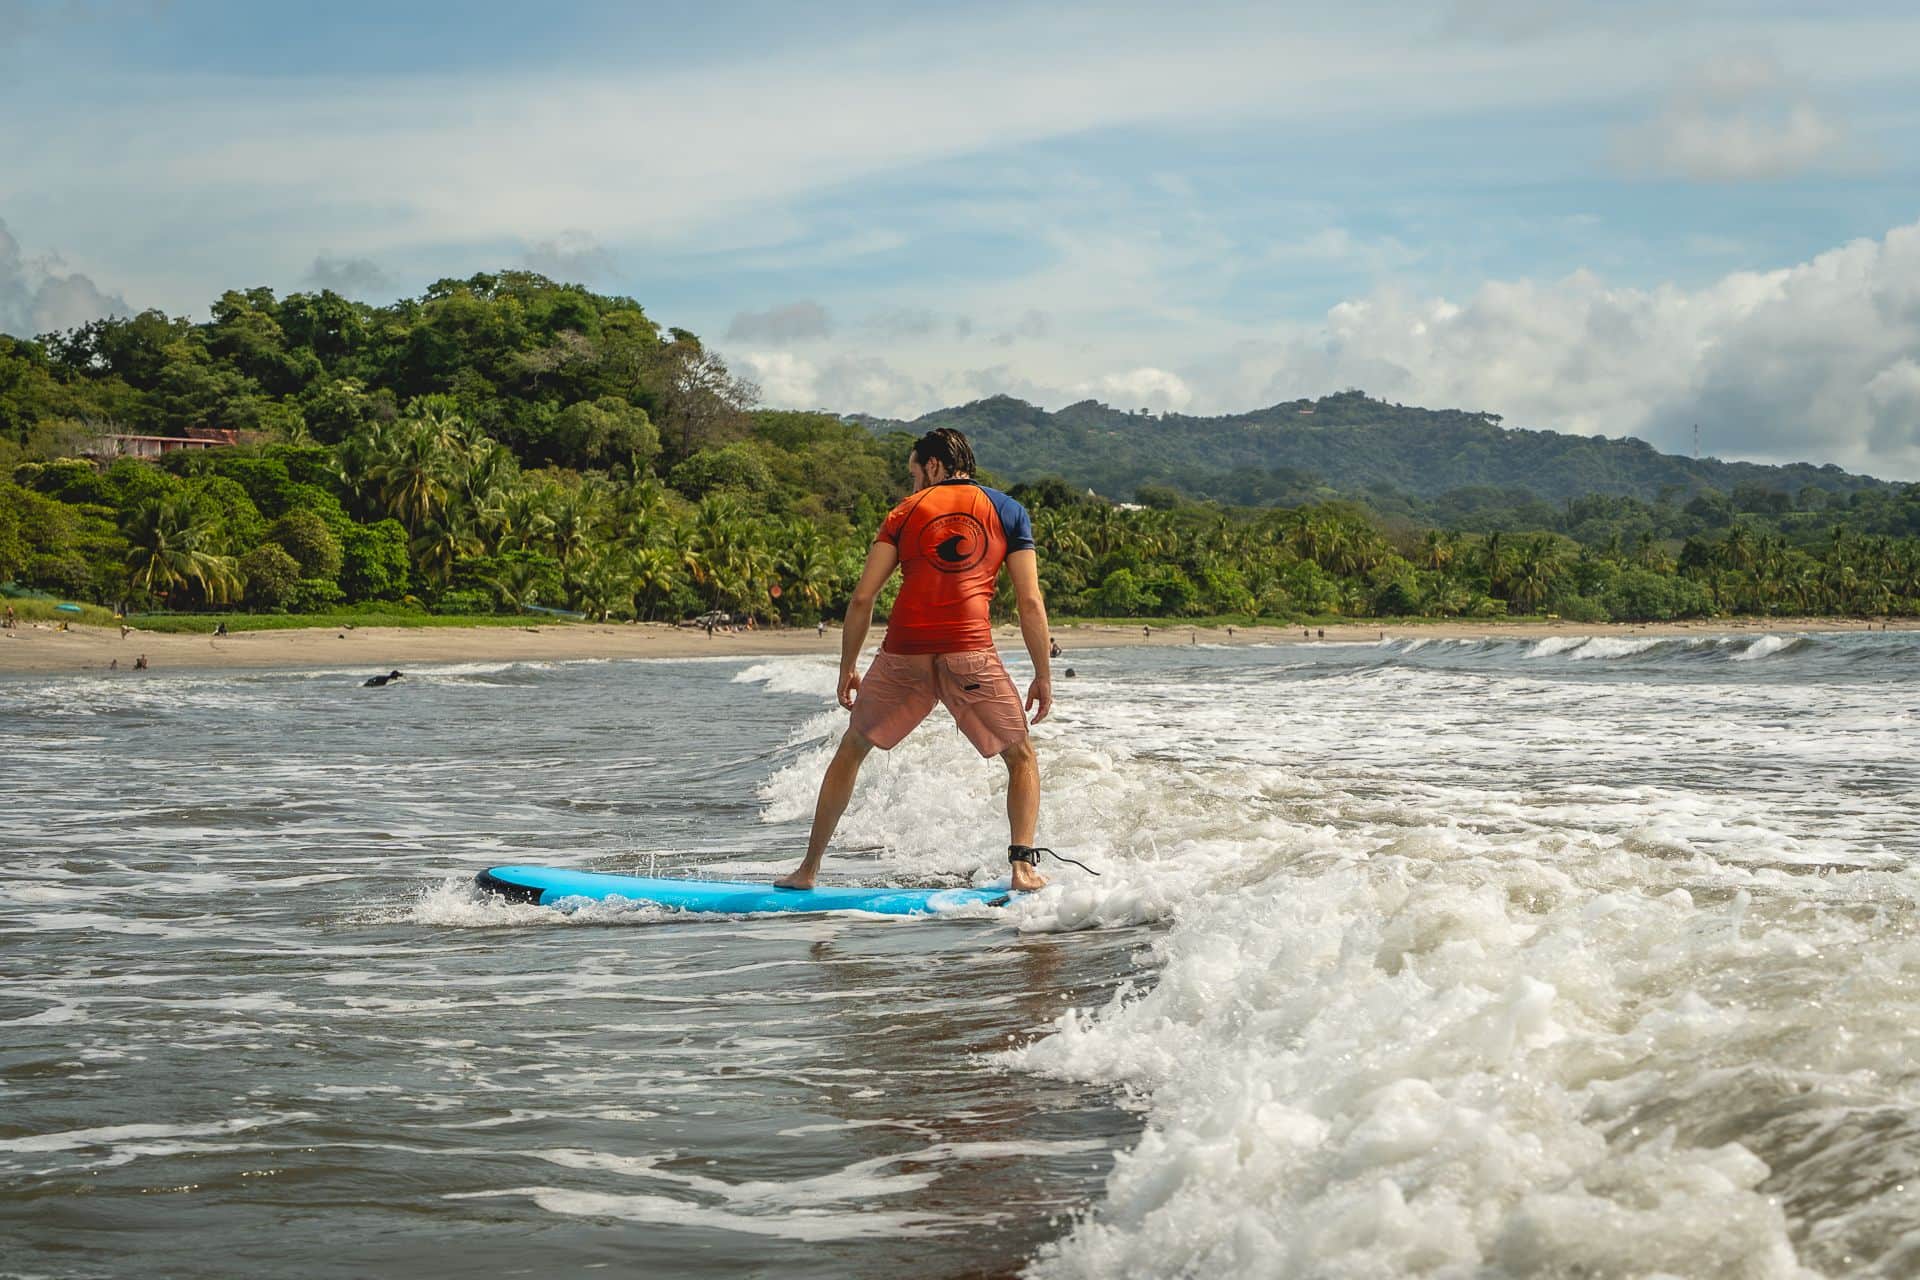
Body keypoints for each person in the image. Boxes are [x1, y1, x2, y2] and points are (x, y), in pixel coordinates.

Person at [776, 427, 1054, 893]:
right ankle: (1022, 869)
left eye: (914, 473)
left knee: (852, 750)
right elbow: (1030, 602)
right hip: (970, 652)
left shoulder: (904, 513)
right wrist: (1042, 676)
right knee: (1020, 756)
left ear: (934, 465)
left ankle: (808, 870)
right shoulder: (1008, 511)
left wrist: (848, 665)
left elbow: (864, 597)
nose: (913, 484)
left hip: (905, 650)